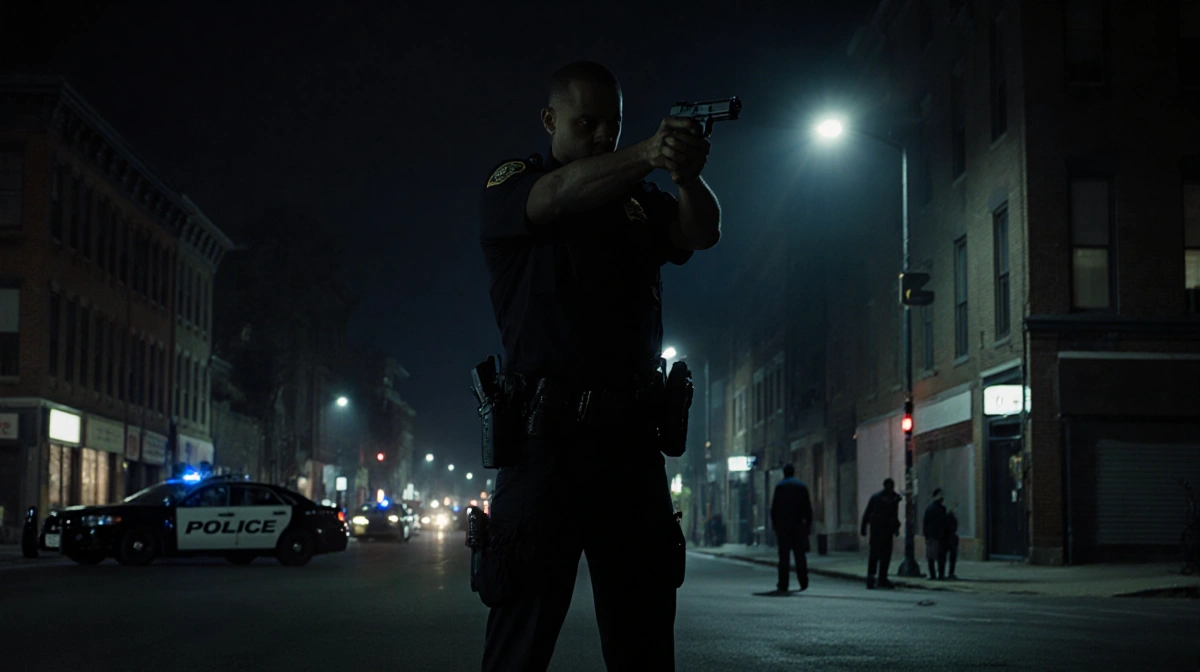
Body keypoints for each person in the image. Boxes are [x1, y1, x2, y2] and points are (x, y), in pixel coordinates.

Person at [477, 61, 722, 672]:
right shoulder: (515, 182)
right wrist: (646, 152)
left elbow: (701, 233)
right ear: (549, 119)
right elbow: (555, 197)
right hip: (543, 444)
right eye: (586, 123)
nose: (600, 136)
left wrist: (688, 177)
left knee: (644, 642)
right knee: (519, 642)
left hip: (630, 446)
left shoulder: (638, 200)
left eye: (611, 126)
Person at [770, 464, 813, 592]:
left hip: (783, 527)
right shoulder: (801, 486)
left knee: (784, 558)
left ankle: (783, 584)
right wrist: (807, 526)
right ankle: (803, 581)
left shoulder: (780, 487)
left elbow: (774, 509)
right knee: (800, 556)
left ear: (784, 473)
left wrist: (775, 526)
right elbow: (808, 508)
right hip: (798, 526)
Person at [861, 477, 903, 589]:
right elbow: (868, 513)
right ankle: (876, 578)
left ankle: (878, 578)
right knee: (878, 556)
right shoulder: (882, 498)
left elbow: (894, 515)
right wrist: (863, 528)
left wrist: (896, 528)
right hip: (880, 531)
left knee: (882, 556)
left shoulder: (886, 498)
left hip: (882, 531)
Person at [923, 488, 948, 580]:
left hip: (933, 536)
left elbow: (925, 523)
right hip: (939, 536)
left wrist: (926, 535)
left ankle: (933, 575)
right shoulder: (941, 509)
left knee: (931, 557)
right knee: (940, 557)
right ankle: (940, 575)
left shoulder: (930, 508)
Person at [945, 505, 960, 580]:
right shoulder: (952, 519)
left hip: (947, 539)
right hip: (951, 540)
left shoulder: (946, 518)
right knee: (952, 558)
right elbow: (954, 528)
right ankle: (951, 573)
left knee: (945, 557)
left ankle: (944, 573)